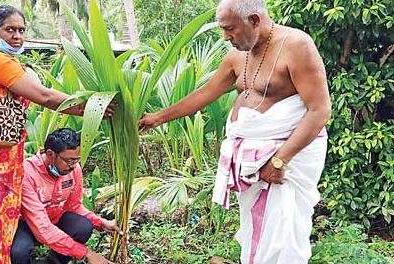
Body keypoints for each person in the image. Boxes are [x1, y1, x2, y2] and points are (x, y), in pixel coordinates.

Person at [139, 0, 331, 263]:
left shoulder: (296, 46)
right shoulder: (237, 56)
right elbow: (205, 93)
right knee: (258, 229)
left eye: (230, 29)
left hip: (285, 159)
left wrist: (279, 160)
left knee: (281, 232)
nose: (225, 37)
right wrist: (158, 118)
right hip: (253, 162)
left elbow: (319, 111)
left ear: (254, 20)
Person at [0, 6, 112, 263]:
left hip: (0, 155)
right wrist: (96, 107)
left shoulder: (13, 64)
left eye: (21, 30)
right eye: (10, 29)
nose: (17, 36)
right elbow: (44, 96)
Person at [11, 128, 120, 264]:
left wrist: (100, 223)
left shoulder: (74, 170)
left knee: (83, 227)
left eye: (76, 160)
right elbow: (41, 226)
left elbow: (74, 206)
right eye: (69, 161)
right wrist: (87, 253)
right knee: (18, 252)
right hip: (27, 223)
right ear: (50, 154)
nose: (73, 166)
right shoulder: (27, 173)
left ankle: (53, 262)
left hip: (54, 219)